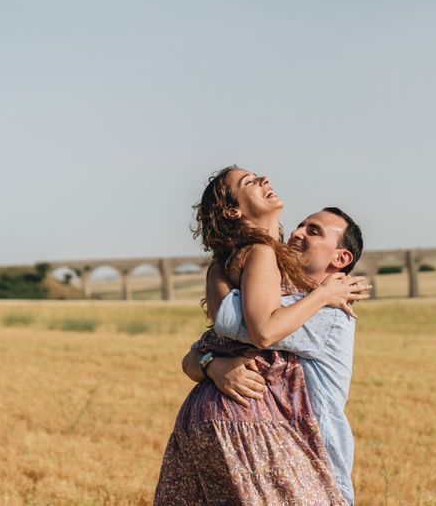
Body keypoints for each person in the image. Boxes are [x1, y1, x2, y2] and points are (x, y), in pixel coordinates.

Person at [154, 166, 369, 505]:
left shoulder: (331, 314)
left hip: (284, 441)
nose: (298, 232)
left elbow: (226, 329)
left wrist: (208, 362)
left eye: (313, 231)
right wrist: (211, 364)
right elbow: (255, 331)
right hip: (263, 437)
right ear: (233, 210)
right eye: (301, 224)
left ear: (341, 259)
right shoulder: (282, 285)